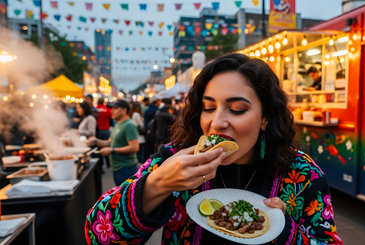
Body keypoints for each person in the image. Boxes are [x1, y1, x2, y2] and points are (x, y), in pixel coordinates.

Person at [85, 54, 342, 244]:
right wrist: (157, 183)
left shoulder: (303, 174)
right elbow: (97, 233)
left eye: (238, 109)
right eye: (208, 107)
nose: (216, 123)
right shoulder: (175, 159)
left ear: (265, 117)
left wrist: (284, 230)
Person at [87, 99, 139, 186]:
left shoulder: (129, 125)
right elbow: (109, 143)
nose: (112, 111)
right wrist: (95, 141)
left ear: (124, 110)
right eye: (112, 109)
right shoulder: (118, 124)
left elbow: (134, 147)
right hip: (117, 168)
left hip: (127, 168)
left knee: (125, 197)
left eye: (115, 108)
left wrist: (112, 150)